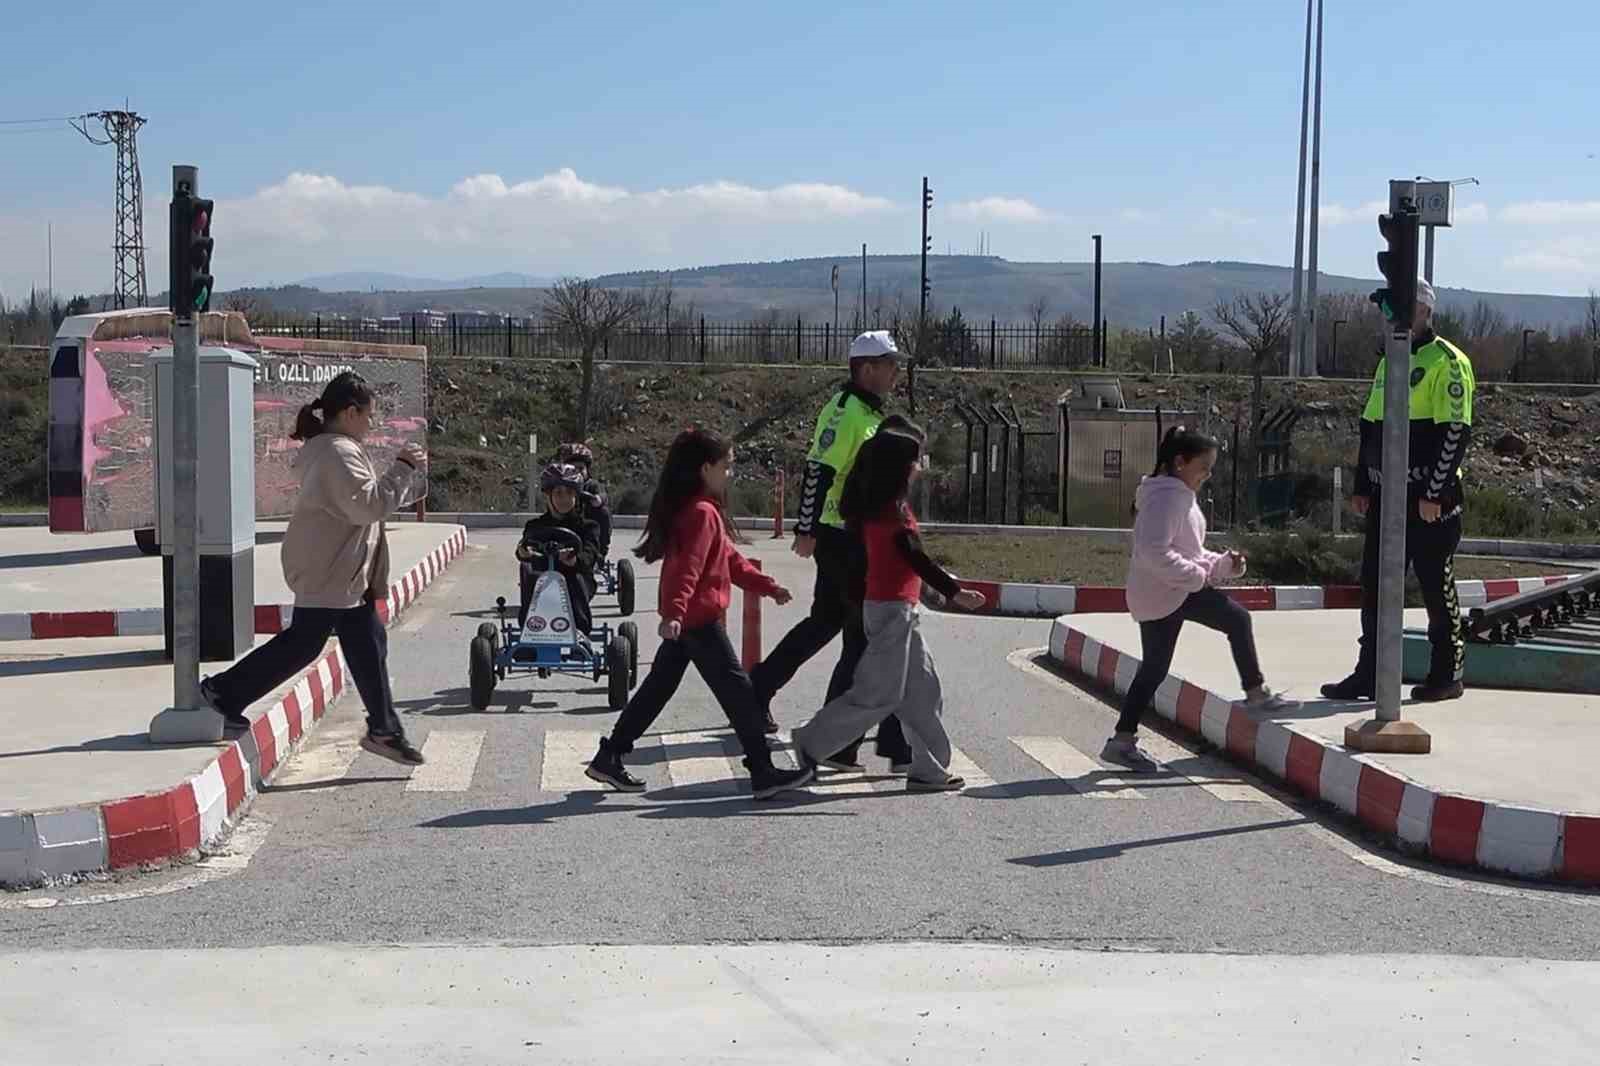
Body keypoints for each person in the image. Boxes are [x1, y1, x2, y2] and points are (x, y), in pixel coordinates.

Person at [198, 371, 425, 766]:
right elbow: (368, 506)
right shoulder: (338, 453)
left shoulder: (335, 449)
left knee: (365, 642)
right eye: (369, 415)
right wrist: (403, 468)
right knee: (306, 644)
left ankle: (384, 729)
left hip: (341, 573)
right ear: (351, 412)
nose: (372, 423)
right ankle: (222, 692)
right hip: (331, 571)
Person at [584, 428, 815, 801]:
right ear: (706, 468)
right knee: (740, 695)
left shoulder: (697, 510)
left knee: (657, 689)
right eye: (727, 466)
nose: (730, 473)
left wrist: (766, 586)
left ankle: (610, 755)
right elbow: (686, 568)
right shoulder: (702, 513)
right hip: (699, 622)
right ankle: (763, 771)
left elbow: (729, 560)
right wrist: (675, 613)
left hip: (688, 622)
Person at [789, 422, 988, 791]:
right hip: (891, 611)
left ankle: (927, 769)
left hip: (897, 610)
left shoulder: (883, 506)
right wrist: (954, 592)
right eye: (917, 460)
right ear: (901, 467)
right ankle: (811, 742)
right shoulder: (890, 512)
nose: (921, 467)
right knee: (878, 697)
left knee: (922, 692)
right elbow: (915, 557)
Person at [748, 330, 911, 768]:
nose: (895, 372)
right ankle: (839, 740)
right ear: (866, 368)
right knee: (862, 635)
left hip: (856, 534)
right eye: (889, 364)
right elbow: (818, 470)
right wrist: (806, 528)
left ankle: (759, 688)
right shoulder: (845, 412)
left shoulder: (869, 412)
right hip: (841, 536)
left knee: (826, 623)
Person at [1107, 426, 1296, 773]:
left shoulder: (1176, 494)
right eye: (1204, 467)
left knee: (1154, 669)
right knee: (1237, 619)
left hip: (1164, 592)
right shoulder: (1166, 498)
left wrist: (1222, 564)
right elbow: (1153, 551)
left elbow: (1188, 551)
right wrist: (1196, 577)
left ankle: (1122, 740)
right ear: (1180, 462)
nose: (1208, 475)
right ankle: (1255, 694)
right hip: (1170, 590)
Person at [1323, 278, 1476, 703]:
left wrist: (1434, 492)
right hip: (1386, 495)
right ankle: (1369, 672)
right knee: (1375, 585)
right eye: (1386, 308)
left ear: (1424, 310)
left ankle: (1447, 674)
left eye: (1397, 307)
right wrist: (1362, 482)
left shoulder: (1449, 362)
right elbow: (1370, 426)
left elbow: (1455, 433)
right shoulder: (1389, 359)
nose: (1388, 315)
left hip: (1429, 498)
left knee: (1434, 583)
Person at [518, 462, 602, 637]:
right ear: (548, 496)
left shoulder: (588, 527)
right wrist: (523, 553)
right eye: (558, 493)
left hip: (576, 578)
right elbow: (524, 549)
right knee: (530, 573)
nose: (564, 498)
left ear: (576, 496)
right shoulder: (535, 526)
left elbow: (591, 555)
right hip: (542, 580)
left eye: (569, 493)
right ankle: (529, 630)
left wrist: (575, 560)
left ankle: (580, 631)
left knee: (573, 579)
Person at [559, 441, 612, 557]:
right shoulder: (563, 486)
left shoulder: (592, 485)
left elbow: (603, 495)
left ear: (587, 469)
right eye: (573, 468)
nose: (578, 472)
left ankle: (600, 551)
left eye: (581, 468)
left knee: (603, 512)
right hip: (567, 524)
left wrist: (598, 499)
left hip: (589, 525)